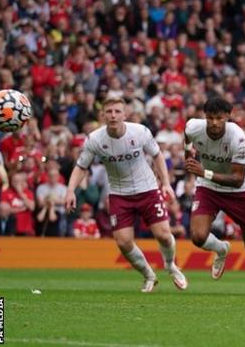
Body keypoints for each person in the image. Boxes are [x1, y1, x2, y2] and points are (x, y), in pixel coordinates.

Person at [65, 97, 187, 293]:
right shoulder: (95, 139)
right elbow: (81, 166)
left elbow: (157, 155)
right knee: (123, 241)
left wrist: (165, 183)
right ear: (103, 115)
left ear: (125, 114)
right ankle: (149, 275)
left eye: (117, 111)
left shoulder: (139, 132)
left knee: (164, 235)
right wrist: (70, 190)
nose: (113, 115)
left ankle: (171, 265)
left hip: (147, 189)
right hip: (119, 194)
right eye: (109, 111)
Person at [183, 96, 245, 296]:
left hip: (238, 191)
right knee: (198, 237)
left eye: (219, 118)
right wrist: (187, 155)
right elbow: (187, 137)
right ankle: (221, 249)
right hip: (208, 187)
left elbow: (237, 179)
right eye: (210, 118)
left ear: (228, 116)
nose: (215, 123)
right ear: (204, 116)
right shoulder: (193, 127)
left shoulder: (238, 139)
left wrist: (203, 172)